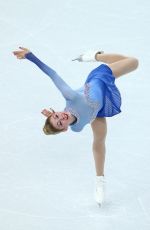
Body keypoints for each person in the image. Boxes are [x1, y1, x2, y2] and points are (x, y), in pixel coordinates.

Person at [13, 47, 139, 206]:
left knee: (133, 62)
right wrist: (51, 118)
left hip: (100, 78)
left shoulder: (69, 96)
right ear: (65, 129)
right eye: (60, 122)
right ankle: (100, 181)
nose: (61, 117)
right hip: (98, 111)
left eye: (57, 115)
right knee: (99, 141)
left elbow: (53, 74)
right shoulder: (76, 127)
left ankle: (95, 56)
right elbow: (78, 115)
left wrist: (31, 56)